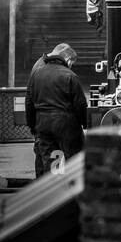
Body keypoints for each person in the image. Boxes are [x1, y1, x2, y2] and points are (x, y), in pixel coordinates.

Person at [25, 43, 87, 177]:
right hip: (67, 125)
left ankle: (54, 190)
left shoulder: (37, 73)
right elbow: (80, 104)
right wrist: (84, 123)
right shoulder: (70, 75)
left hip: (43, 125)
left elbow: (29, 101)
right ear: (68, 59)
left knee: (52, 161)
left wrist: (32, 124)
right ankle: (73, 192)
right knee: (74, 159)